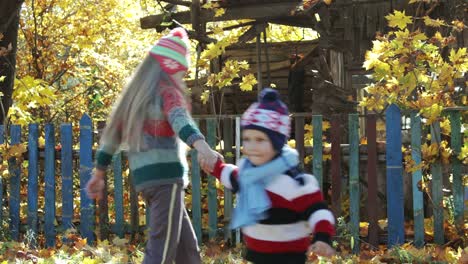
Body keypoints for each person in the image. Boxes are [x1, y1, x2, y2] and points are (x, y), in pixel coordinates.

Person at [86, 27, 219, 264]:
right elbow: (181, 121)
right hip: (167, 180)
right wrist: (204, 148)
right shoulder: (167, 92)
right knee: (161, 252)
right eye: (180, 73)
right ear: (169, 68)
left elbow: (110, 141)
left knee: (187, 251)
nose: (181, 79)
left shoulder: (134, 101)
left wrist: (98, 174)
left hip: (147, 181)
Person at [202, 88, 336, 264]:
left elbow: (318, 212)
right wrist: (214, 166)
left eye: (260, 140)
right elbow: (230, 175)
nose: (251, 146)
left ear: (277, 143)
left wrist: (322, 238)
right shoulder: (248, 175)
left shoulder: (295, 183)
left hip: (290, 258)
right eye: (247, 139)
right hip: (257, 256)